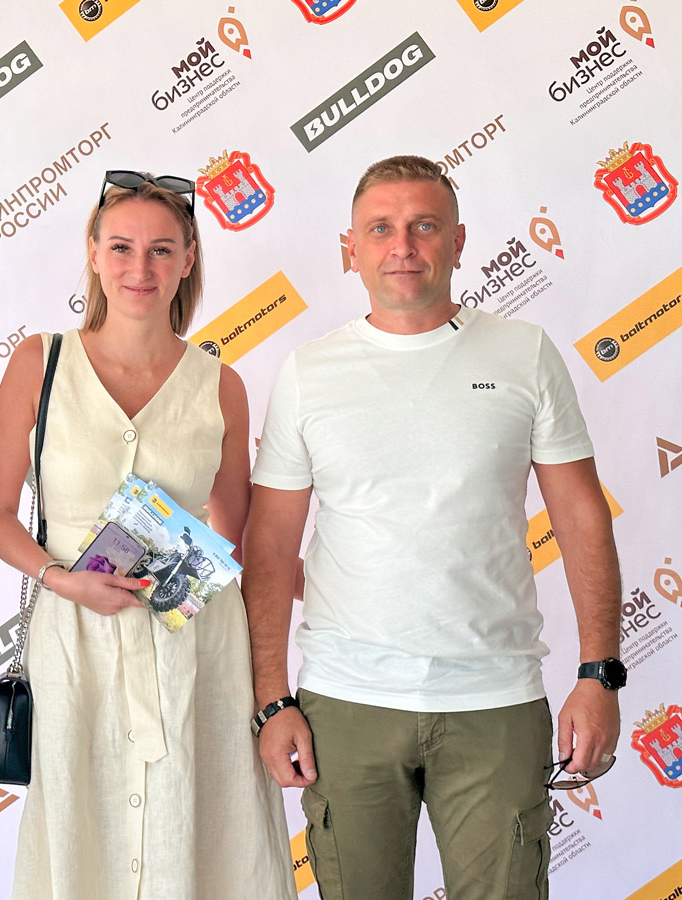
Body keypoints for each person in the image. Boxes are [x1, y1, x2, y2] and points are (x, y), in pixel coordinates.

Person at [242, 155, 623, 900]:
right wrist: (272, 699)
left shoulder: (525, 354)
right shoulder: (308, 373)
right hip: (346, 703)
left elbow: (581, 521)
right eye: (380, 229)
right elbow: (269, 547)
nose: (403, 246)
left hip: (495, 701)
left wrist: (599, 672)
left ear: (459, 241)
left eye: (424, 226)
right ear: (351, 249)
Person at [0, 171, 294, 900]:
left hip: (197, 647)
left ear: (188, 259)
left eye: (161, 249)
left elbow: (237, 538)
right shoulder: (40, 362)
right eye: (121, 247)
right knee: (83, 829)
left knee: (204, 829)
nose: (139, 268)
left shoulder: (221, 384)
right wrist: (60, 580)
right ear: (93, 253)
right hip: (74, 639)